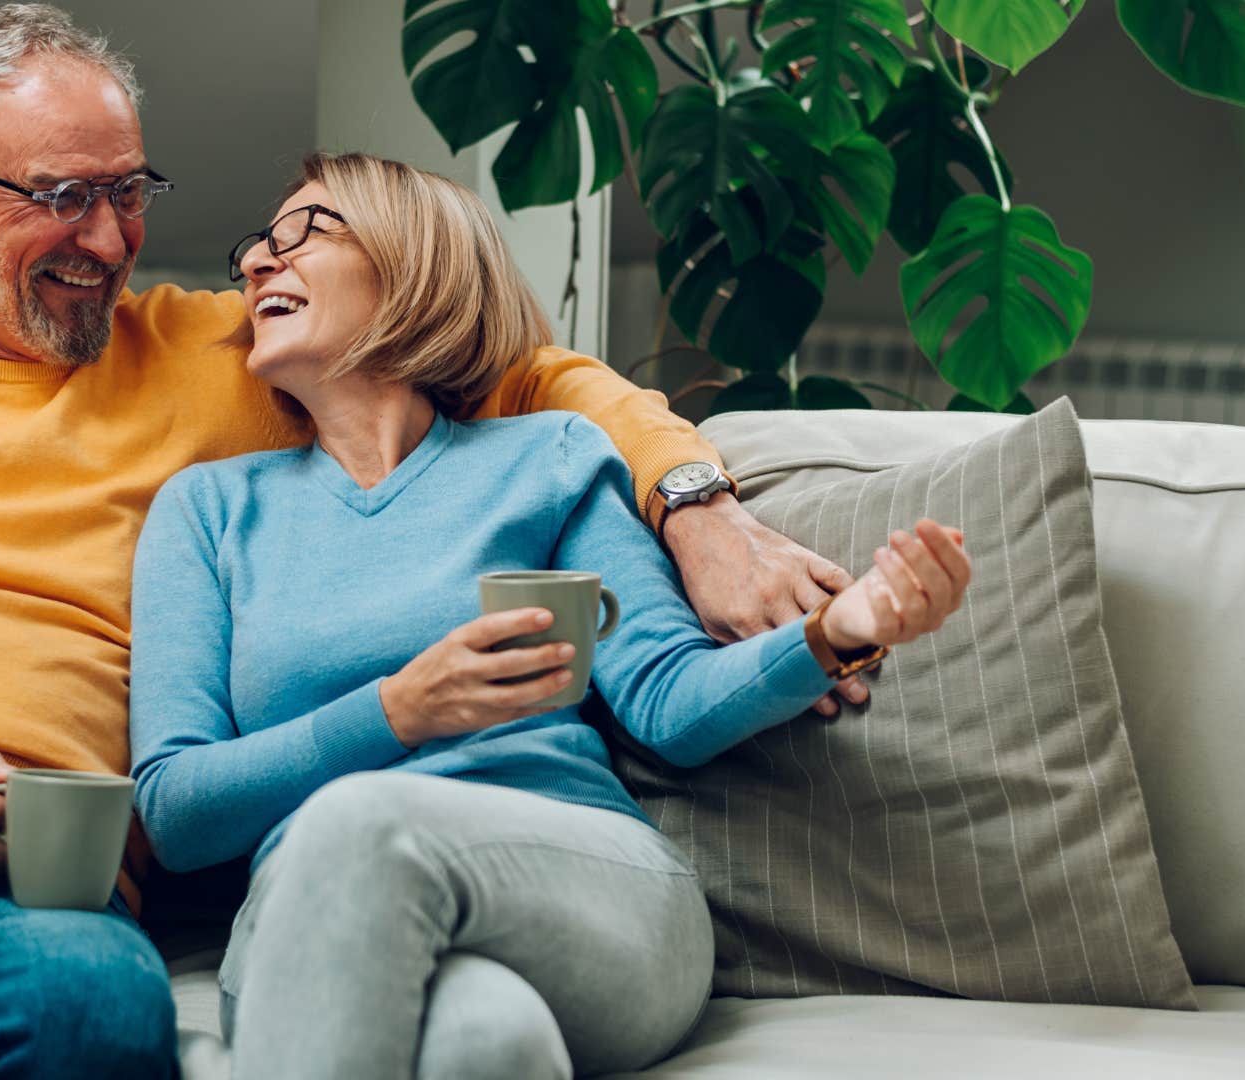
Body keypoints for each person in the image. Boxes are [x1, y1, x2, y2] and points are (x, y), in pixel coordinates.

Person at [0, 4, 864, 1078]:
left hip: (12, 871)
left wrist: (697, 506)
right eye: (59, 197)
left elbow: (531, 377)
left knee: (88, 1017)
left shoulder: (227, 347)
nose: (109, 239)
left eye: (130, 191)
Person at [127, 153, 973, 1079]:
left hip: (579, 885)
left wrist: (838, 630)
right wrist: (401, 709)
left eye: (308, 232)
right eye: (260, 244)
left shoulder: (548, 457)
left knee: (364, 821)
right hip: (313, 913)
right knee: (484, 1044)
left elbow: (670, 701)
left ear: (416, 263)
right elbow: (174, 810)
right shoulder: (206, 512)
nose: (256, 264)